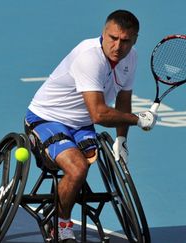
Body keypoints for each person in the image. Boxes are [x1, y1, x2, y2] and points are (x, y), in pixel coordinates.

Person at [24, 10, 156, 243]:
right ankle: (61, 224)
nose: (117, 46)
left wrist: (122, 139)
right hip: (46, 119)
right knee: (77, 168)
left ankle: (58, 202)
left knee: (85, 163)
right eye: (112, 38)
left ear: (134, 40)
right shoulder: (89, 58)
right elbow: (99, 113)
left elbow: (124, 99)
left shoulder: (131, 57)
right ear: (103, 33)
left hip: (80, 125)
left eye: (125, 41)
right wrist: (137, 120)